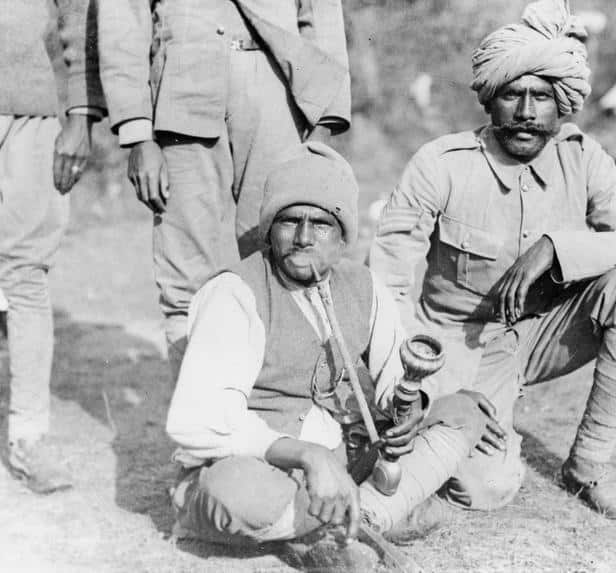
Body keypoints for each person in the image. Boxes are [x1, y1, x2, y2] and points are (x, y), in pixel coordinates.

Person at [369, 0, 616, 521]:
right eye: (512, 94)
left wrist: (558, 248)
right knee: (482, 486)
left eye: (542, 97)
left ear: (563, 107)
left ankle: (589, 467)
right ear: (490, 102)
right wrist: (419, 387)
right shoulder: (441, 164)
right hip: (457, 343)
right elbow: (388, 284)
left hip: (544, 334)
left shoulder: (582, 157)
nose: (527, 112)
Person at [165, 142, 488, 560]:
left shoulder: (364, 287)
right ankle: (352, 525)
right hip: (262, 465)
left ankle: (359, 517)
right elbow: (199, 423)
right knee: (237, 494)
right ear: (269, 229)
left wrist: (407, 411)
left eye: (320, 224)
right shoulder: (235, 293)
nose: (302, 238)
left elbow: (395, 372)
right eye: (289, 222)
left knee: (465, 410)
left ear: (342, 237)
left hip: (345, 458)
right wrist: (307, 455)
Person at [98, 0, 352, 378]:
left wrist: (326, 117)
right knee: (185, 277)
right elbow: (123, 15)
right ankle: (199, 426)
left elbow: (321, 11)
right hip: (182, 89)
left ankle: (279, 414)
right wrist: (137, 133)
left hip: (277, 88)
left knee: (284, 260)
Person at [0, 0, 104, 493]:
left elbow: (79, 17)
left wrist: (81, 117)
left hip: (31, 109)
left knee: (24, 274)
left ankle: (28, 436)